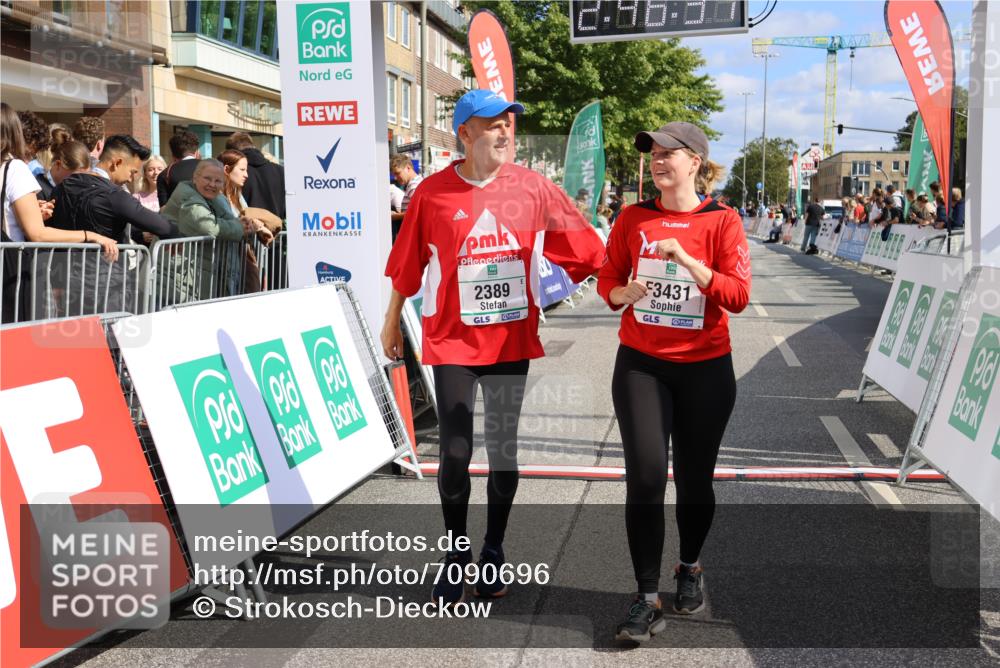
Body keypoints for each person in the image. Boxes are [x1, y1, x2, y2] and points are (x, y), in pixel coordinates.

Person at [380, 89, 605, 606]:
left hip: (509, 341)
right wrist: (391, 320)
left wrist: (624, 284)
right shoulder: (432, 193)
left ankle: (494, 548)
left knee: (503, 452)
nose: (506, 131)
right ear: (464, 134)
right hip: (453, 340)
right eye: (492, 124)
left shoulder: (533, 188)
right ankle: (456, 555)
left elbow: (588, 250)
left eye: (509, 123)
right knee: (456, 453)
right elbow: (407, 263)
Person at [596, 121, 749, 643]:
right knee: (644, 476)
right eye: (653, 154)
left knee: (694, 479)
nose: (658, 160)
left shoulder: (723, 221)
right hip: (642, 363)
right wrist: (623, 294)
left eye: (669, 153)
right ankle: (645, 598)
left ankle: (689, 565)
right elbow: (607, 279)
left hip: (706, 368)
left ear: (696, 163)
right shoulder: (632, 218)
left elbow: (738, 296)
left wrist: (687, 261)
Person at [1, 104, 118, 322]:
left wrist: (31, 212)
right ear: (14, 132)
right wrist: (89, 235)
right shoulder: (14, 168)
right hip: (11, 277)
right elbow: (38, 234)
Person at [160, 159, 272, 301]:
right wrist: (239, 227)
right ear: (195, 177)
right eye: (207, 178)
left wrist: (241, 223)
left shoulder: (218, 198)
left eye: (218, 181)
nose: (212, 184)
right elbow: (207, 226)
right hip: (176, 275)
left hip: (196, 274)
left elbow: (229, 219)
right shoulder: (186, 195)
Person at [49, 134, 177, 243]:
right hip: (106, 268)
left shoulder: (60, 188)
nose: (131, 179)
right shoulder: (114, 195)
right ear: (117, 163)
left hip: (60, 269)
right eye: (132, 172)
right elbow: (164, 227)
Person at [224, 132, 285, 220]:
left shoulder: (234, 173)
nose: (245, 174)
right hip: (276, 229)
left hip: (245, 228)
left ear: (232, 153)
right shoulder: (279, 170)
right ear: (252, 145)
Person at [157, 130, 201, 206]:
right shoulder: (211, 168)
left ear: (173, 155)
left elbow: (164, 210)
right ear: (197, 152)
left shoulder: (165, 175)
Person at [389, 153, 423, 236]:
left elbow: (417, 213)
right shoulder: (416, 183)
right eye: (394, 175)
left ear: (408, 168)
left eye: (397, 173)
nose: (396, 178)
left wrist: (394, 216)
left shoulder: (414, 186)